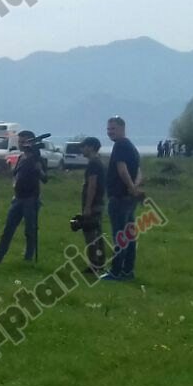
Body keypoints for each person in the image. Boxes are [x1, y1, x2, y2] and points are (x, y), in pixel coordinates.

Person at [0, 129, 45, 266]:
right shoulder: (21, 157)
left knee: (30, 230)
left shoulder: (37, 158)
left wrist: (39, 169)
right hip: (18, 198)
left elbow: (45, 179)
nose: (21, 144)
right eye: (20, 141)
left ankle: (28, 257)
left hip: (31, 198)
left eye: (24, 141)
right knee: (8, 228)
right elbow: (15, 175)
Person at [104, 115, 144, 281]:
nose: (110, 132)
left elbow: (122, 169)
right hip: (129, 199)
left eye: (113, 129)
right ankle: (128, 270)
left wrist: (130, 186)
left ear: (122, 128)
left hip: (119, 197)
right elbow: (139, 172)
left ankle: (116, 271)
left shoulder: (120, 146)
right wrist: (134, 187)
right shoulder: (132, 147)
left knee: (120, 236)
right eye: (108, 129)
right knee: (130, 235)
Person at [78, 136, 107, 277]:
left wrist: (88, 206)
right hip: (99, 202)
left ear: (90, 147)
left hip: (93, 204)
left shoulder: (93, 164)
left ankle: (94, 264)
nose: (82, 149)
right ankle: (100, 262)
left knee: (91, 234)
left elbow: (92, 185)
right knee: (97, 234)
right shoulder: (99, 162)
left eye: (83, 146)